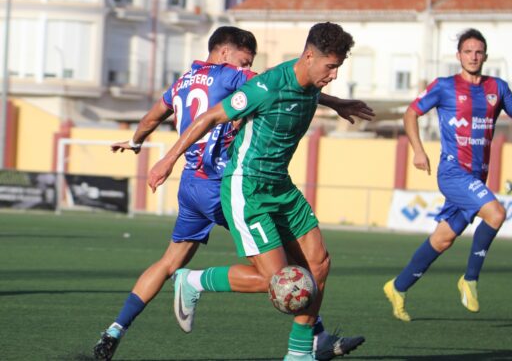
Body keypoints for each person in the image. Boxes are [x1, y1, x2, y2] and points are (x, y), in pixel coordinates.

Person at [94, 25, 371, 360]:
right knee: (282, 280)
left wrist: (337, 103)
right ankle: (196, 281)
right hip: (241, 184)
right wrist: (167, 159)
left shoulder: (189, 80)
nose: (335, 74)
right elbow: (221, 110)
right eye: (330, 66)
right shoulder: (249, 81)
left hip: (252, 185)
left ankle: (301, 352)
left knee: (318, 264)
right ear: (309, 56)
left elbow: (155, 114)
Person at [383, 28, 512, 322]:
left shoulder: (498, 87)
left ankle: (398, 286)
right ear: (459, 56)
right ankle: (469, 280)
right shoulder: (444, 86)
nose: (473, 56)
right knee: (496, 214)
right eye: (467, 51)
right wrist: (418, 151)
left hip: (477, 178)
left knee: (443, 239)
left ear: (485, 56)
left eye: (478, 52)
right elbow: (410, 113)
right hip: (453, 172)